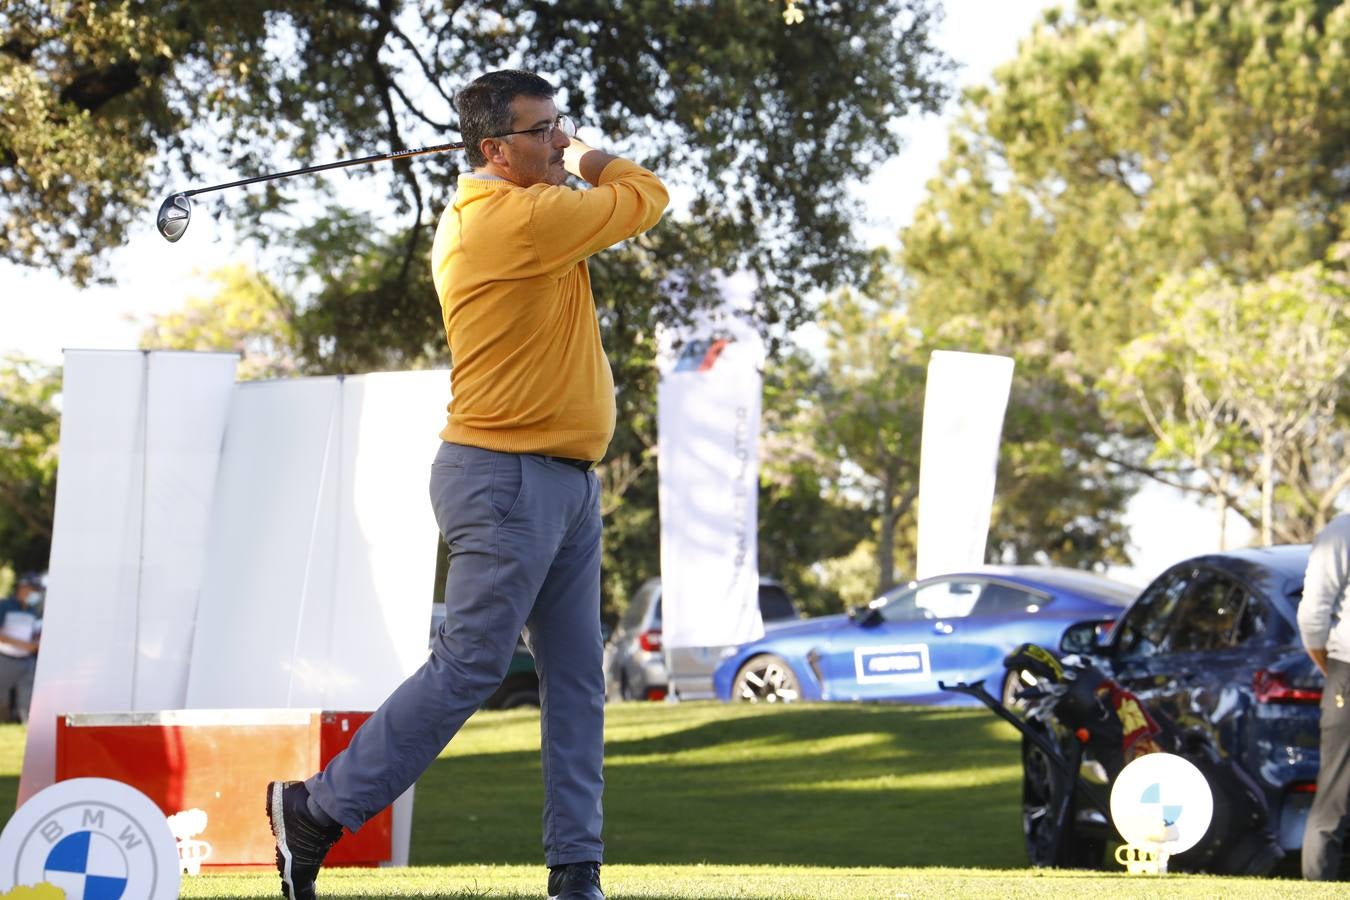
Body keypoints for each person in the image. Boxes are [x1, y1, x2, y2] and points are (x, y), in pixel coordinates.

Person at [266, 69, 668, 900]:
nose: (561, 139)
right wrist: (591, 156)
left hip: (562, 484)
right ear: (495, 149)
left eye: (564, 125)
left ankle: (575, 870)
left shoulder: (524, 208)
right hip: (506, 479)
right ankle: (314, 809)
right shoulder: (514, 217)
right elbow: (646, 195)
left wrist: (559, 152)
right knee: (471, 665)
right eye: (545, 130)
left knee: (577, 683)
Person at [1298, 512, 1350, 881]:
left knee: (1334, 798)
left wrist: (1329, 665)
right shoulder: (1341, 533)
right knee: (1334, 799)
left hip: (1344, 669)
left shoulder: (1339, 533)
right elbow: (1312, 618)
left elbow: (1314, 622)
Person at [0, 572, 43, 723]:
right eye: (34, 588)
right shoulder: (4, 606)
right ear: (22, 587)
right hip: (4, 660)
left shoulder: (33, 611)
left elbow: (33, 634)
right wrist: (24, 645)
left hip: (26, 662)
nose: (36, 593)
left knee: (27, 701)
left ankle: (27, 726)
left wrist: (36, 642)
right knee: (2, 702)